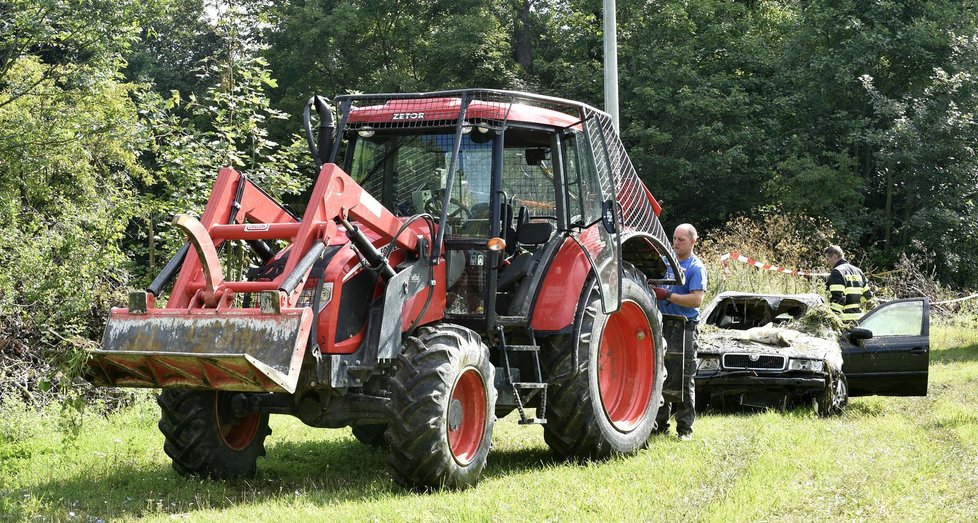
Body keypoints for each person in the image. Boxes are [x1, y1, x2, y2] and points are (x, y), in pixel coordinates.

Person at [652, 223, 707, 441]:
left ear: (693, 242)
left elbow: (696, 300)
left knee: (683, 377)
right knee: (659, 375)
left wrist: (667, 296)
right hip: (661, 323)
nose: (675, 243)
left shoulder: (696, 267)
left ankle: (685, 429)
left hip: (684, 326)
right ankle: (659, 426)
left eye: (681, 239)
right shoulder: (665, 263)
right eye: (674, 238)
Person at [823, 245, 873, 322]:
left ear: (834, 256)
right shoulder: (858, 271)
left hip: (844, 320)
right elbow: (868, 295)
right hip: (859, 319)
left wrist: (831, 318)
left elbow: (838, 299)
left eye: (827, 259)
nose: (827, 262)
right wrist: (855, 303)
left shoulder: (837, 272)